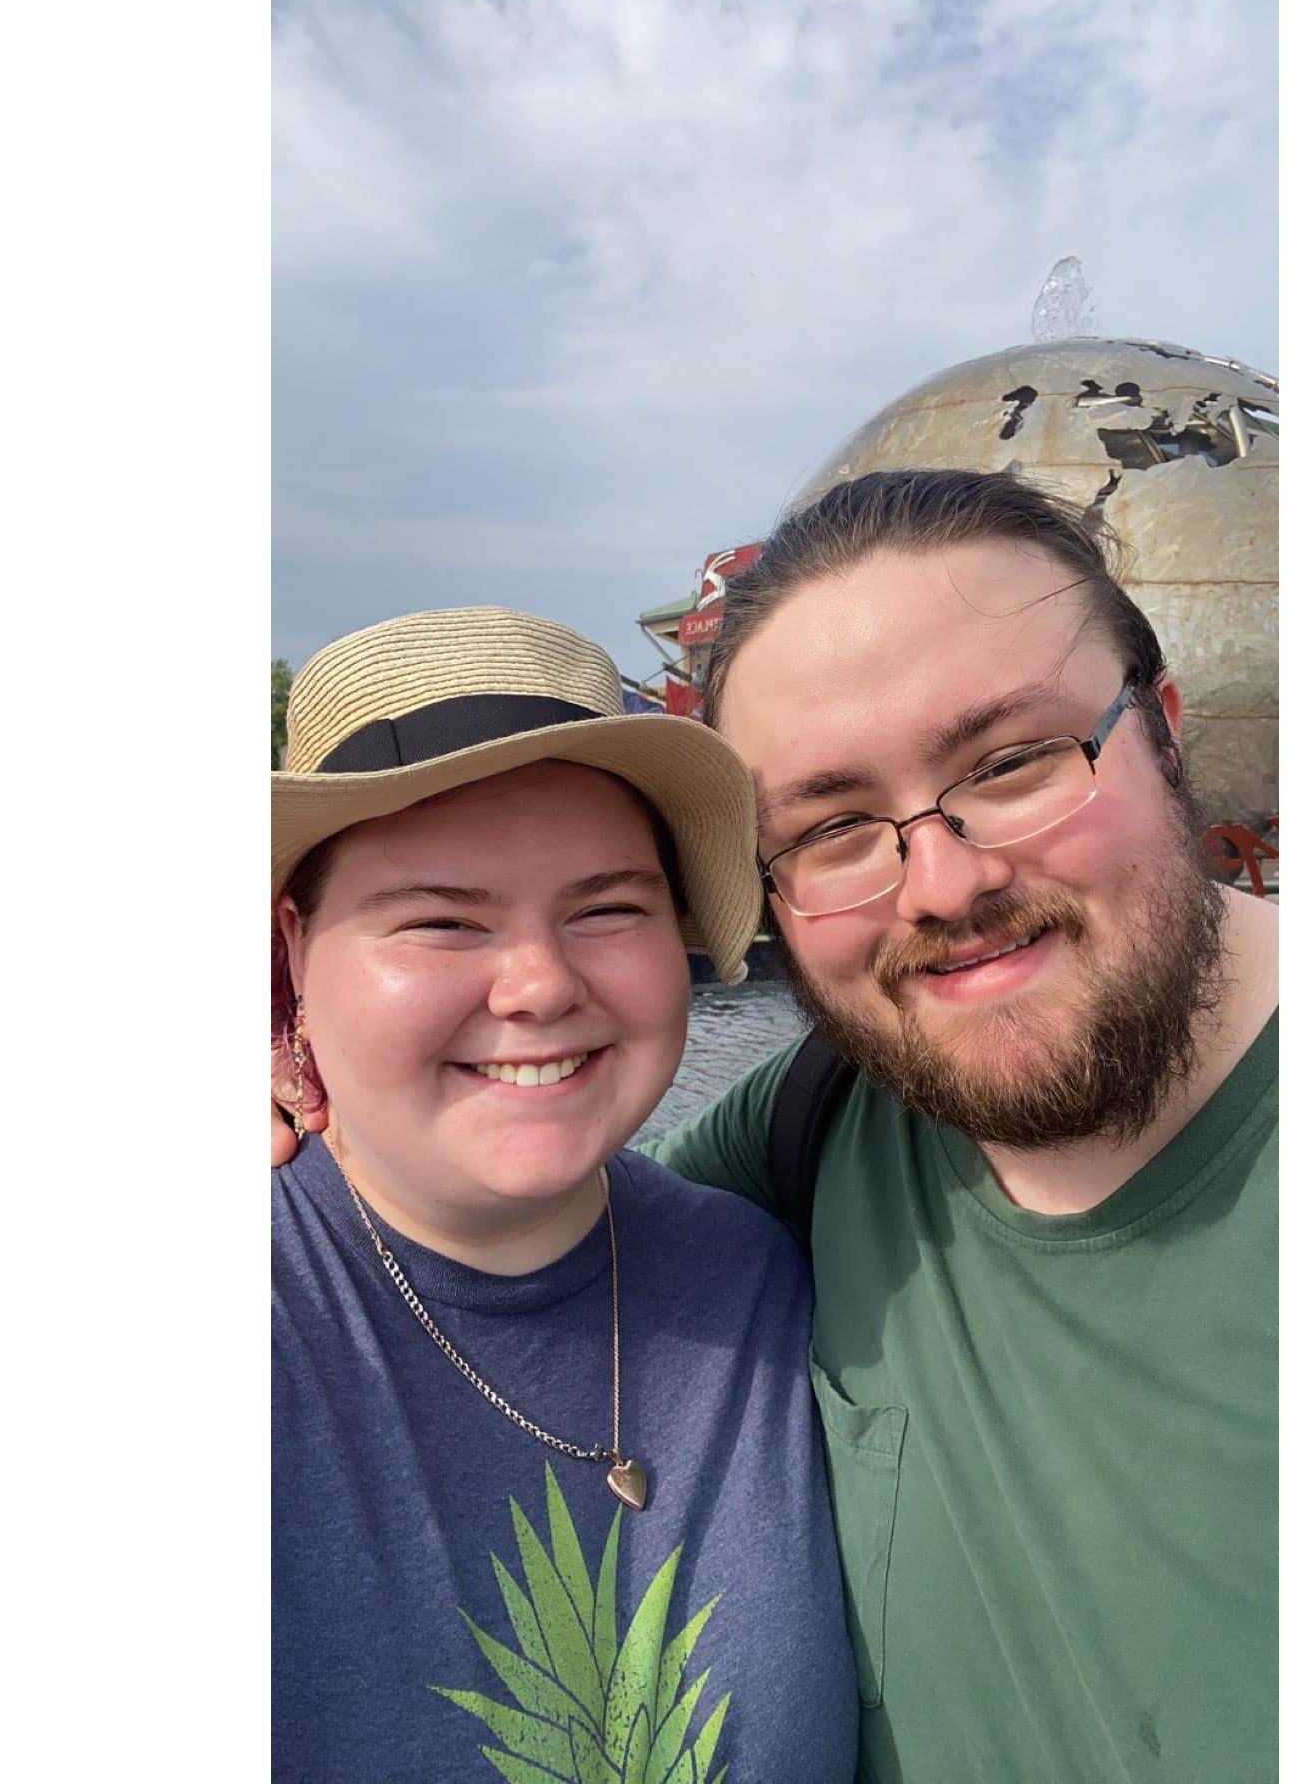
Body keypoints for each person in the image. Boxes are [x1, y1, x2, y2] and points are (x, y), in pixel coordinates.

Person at [275, 468, 1278, 1783]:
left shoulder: (739, 1253)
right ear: (290, 953)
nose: (945, 882)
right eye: (836, 825)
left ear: (1160, 727)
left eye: (1014, 762)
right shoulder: (821, 1132)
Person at [270, 605, 858, 1784]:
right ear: (290, 953)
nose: (539, 985)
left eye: (606, 909)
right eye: (441, 921)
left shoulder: (760, 1277)